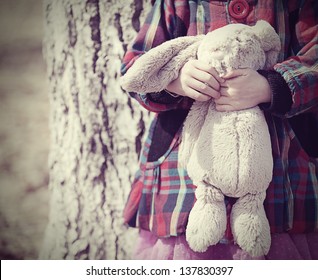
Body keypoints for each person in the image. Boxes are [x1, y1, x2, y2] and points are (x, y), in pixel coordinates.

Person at [120, 0, 318, 260]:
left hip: (283, 178)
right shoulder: (177, 3)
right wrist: (177, 78)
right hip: (183, 188)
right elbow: (134, 70)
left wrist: (271, 87)